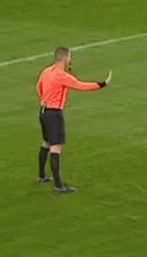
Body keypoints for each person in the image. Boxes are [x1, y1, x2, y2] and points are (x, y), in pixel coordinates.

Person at [36, 47, 111, 194]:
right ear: (65, 59)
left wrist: (44, 100)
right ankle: (59, 185)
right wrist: (102, 84)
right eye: (69, 57)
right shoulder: (62, 76)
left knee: (46, 142)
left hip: (43, 111)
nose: (70, 59)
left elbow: (38, 87)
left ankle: (42, 176)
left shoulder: (46, 71)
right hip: (54, 114)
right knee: (55, 148)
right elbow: (81, 86)